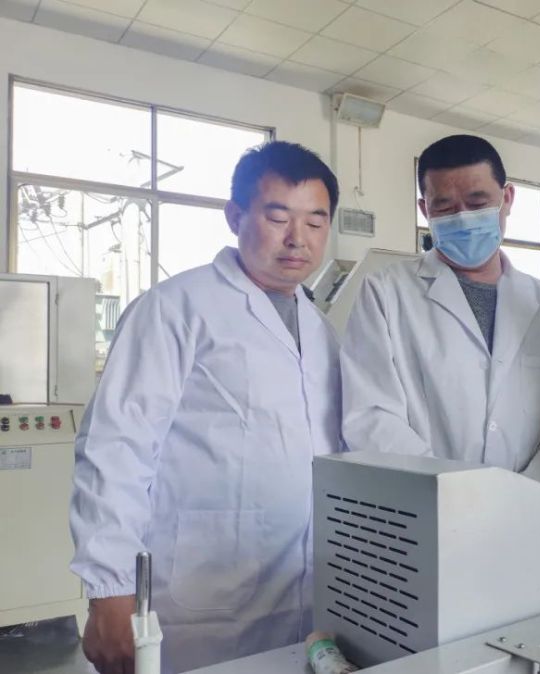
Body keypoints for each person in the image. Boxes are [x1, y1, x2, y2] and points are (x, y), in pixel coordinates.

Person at [70, 141, 342, 674]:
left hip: (304, 587)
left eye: (316, 221)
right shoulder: (174, 308)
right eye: (278, 217)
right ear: (235, 216)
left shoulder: (321, 329)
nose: (298, 239)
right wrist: (109, 588)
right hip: (201, 595)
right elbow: (116, 448)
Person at [340, 134, 540, 495]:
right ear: (424, 209)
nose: (462, 219)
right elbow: (371, 414)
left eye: (478, 203)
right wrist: (452, 493)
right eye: (445, 208)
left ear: (507, 199)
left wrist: (529, 494)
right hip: (428, 503)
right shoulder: (385, 293)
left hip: (534, 505)